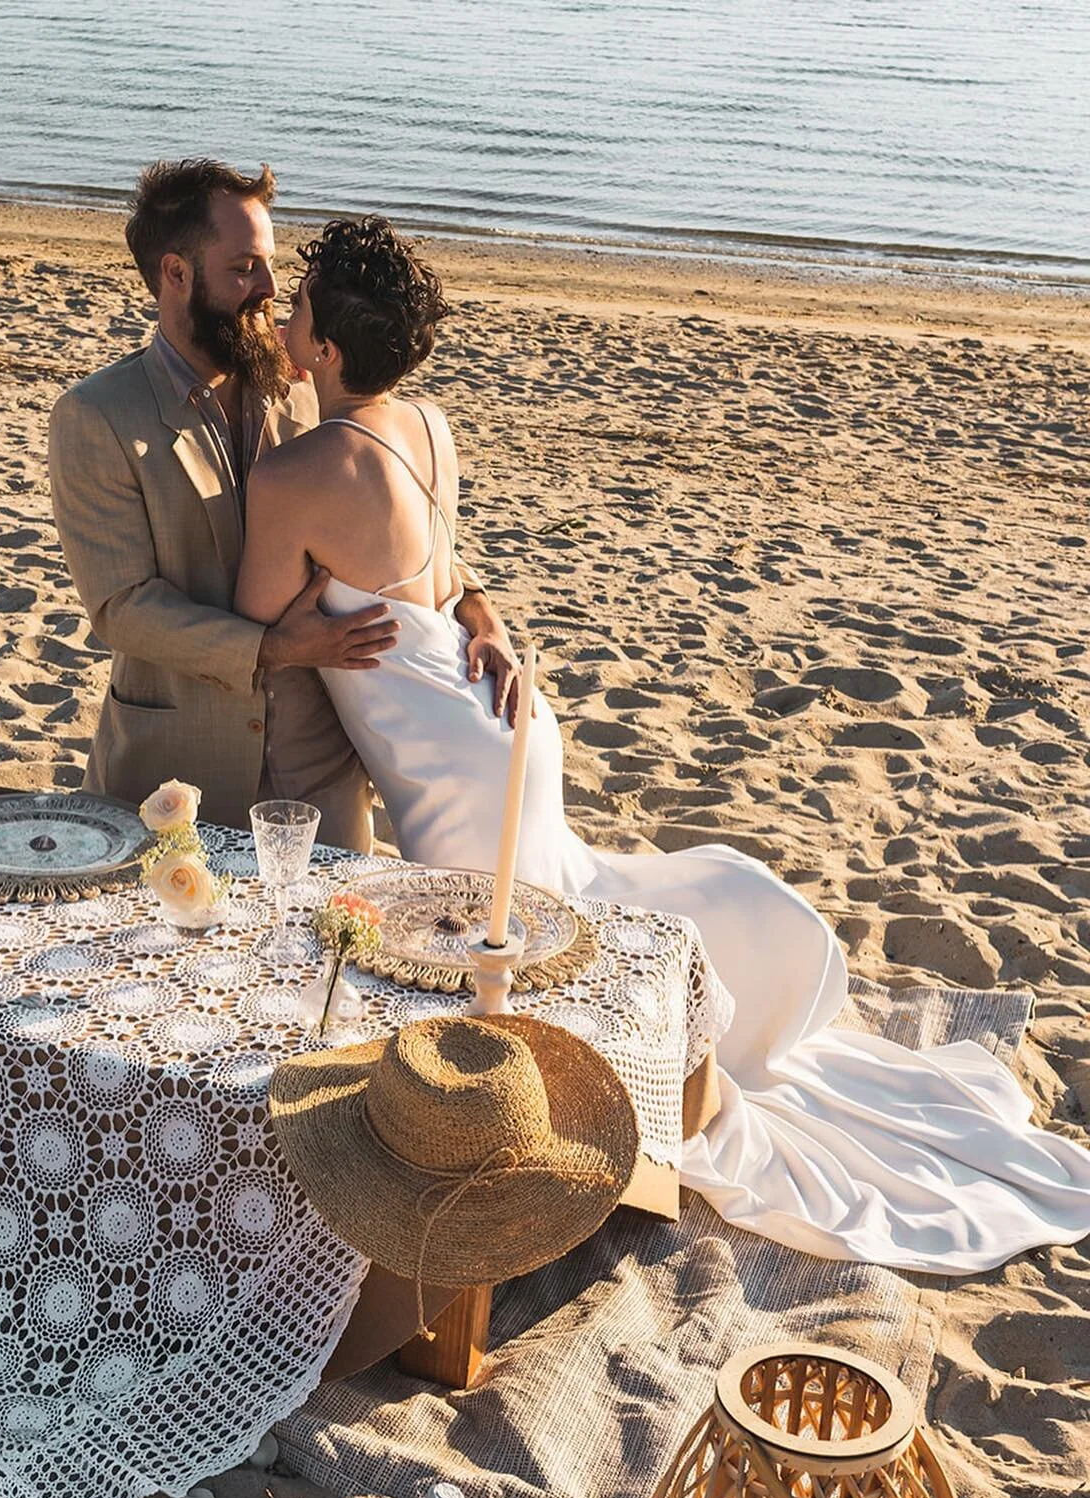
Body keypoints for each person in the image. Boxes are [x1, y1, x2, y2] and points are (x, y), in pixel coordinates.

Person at [235, 215, 1090, 1275]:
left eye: (298, 307)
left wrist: (306, 580)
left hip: (452, 758)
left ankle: (603, 1109)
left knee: (518, 954)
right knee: (544, 915)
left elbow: (260, 628)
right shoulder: (427, 427)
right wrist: (490, 628)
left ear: (323, 352)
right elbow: (450, 583)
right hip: (496, 717)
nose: (281, 315)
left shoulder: (296, 474)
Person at [49, 159, 519, 852]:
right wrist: (270, 649)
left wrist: (482, 613)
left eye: (268, 266)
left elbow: (393, 517)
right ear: (175, 273)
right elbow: (122, 606)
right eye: (244, 268)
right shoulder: (95, 417)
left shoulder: (310, 385)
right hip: (177, 773)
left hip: (319, 779)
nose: (269, 289)